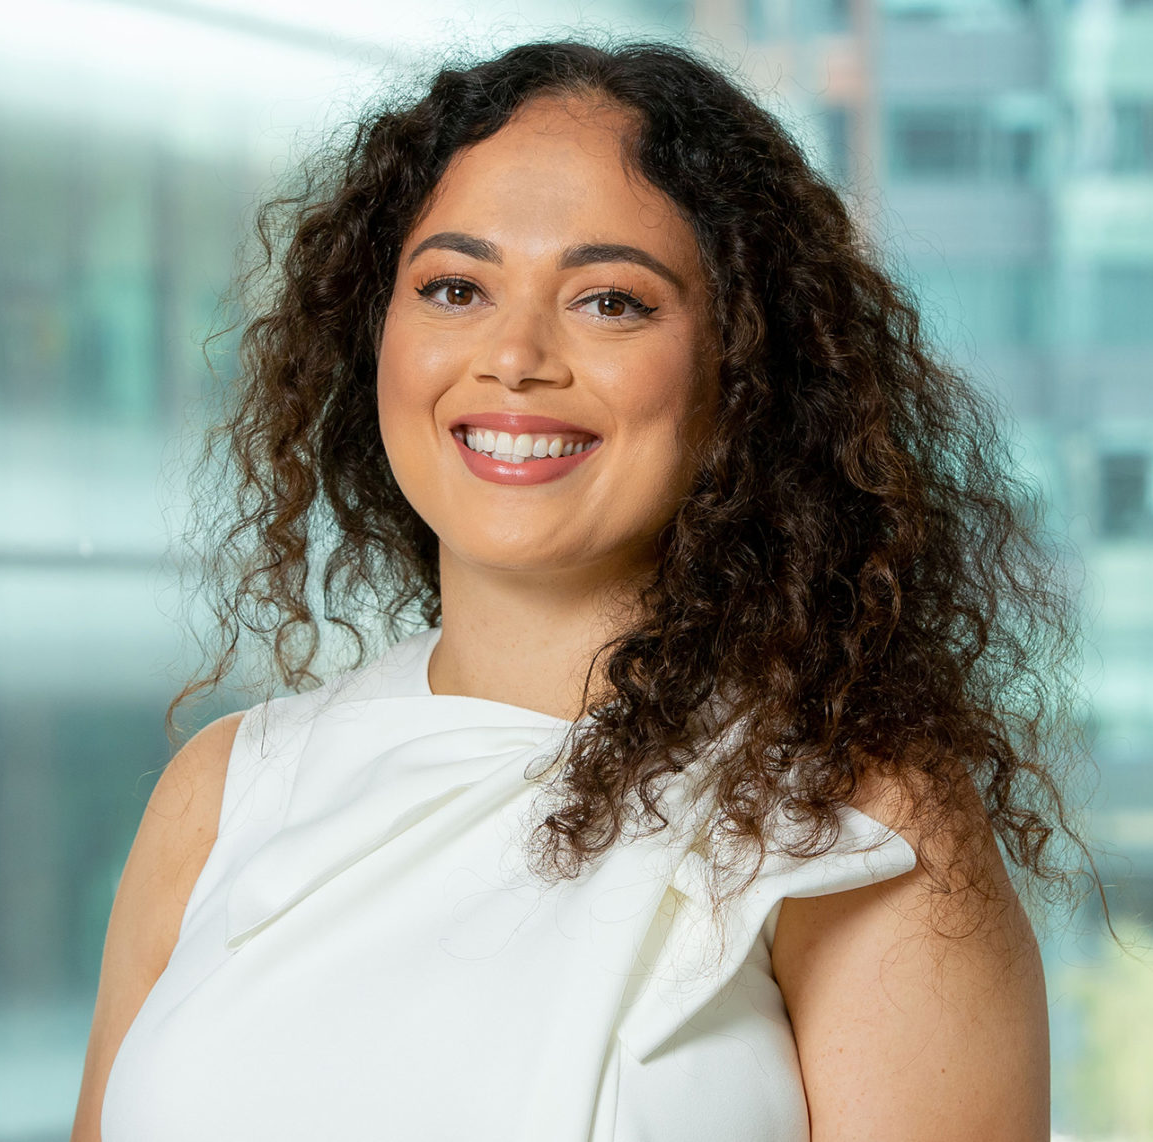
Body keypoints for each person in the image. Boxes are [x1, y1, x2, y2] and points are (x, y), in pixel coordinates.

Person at [72, 38, 1083, 1142]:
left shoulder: (854, 813)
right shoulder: (222, 794)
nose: (514, 355)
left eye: (611, 301)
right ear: (376, 335)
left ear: (745, 370)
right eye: (455, 287)